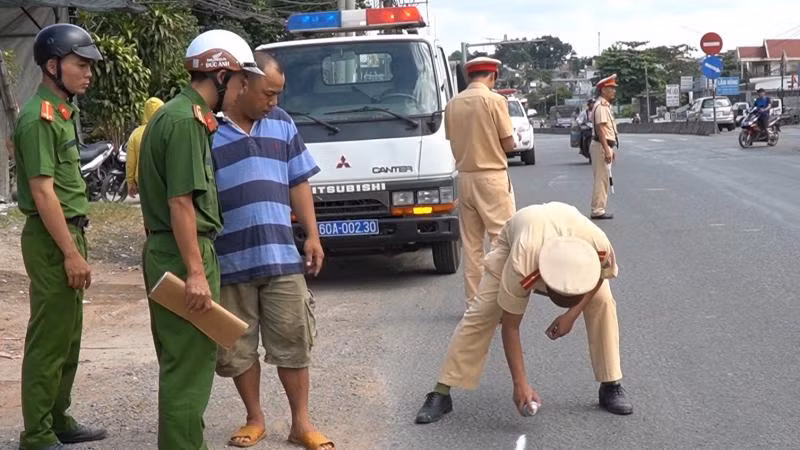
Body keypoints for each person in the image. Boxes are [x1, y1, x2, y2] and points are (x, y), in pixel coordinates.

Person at [137, 29, 264, 450]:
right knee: (188, 369)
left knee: (184, 363)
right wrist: (195, 271)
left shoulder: (179, 116)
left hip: (172, 249)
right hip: (182, 254)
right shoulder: (185, 120)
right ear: (221, 75)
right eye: (241, 80)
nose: (243, 90)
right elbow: (180, 204)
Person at [414, 201, 633, 424]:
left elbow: (602, 276)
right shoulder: (523, 262)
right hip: (517, 240)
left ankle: (611, 384)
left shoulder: (599, 246)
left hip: (570, 232)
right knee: (481, 312)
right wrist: (520, 384)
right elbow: (510, 326)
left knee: (604, 301)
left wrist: (571, 315)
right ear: (544, 284)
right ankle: (441, 391)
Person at [211, 52, 333, 450]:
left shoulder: (281, 123)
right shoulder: (206, 126)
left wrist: (312, 235)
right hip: (229, 259)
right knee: (238, 346)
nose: (274, 102)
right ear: (241, 83)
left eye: (278, 94)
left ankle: (301, 424)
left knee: (293, 341)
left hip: (281, 255)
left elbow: (298, 180)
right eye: (268, 93)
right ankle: (255, 418)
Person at [13, 24, 106, 450]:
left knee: (69, 335)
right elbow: (42, 191)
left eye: (89, 66)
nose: (88, 73)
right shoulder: (38, 117)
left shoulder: (64, 112)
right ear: (53, 66)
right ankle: (36, 434)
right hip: (53, 240)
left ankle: (57, 417)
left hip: (69, 234)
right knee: (49, 338)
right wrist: (70, 253)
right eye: (80, 64)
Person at [445, 56, 516, 307]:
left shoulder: (453, 103)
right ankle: (500, 301)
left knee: (472, 245)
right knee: (501, 241)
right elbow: (509, 143)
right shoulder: (495, 100)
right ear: (493, 76)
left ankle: (475, 303)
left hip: (465, 178)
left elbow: (451, 139)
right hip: (492, 177)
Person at [589, 74, 619, 220]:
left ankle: (599, 207)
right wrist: (607, 149)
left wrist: (610, 148)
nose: (614, 91)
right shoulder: (601, 106)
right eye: (611, 88)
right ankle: (598, 210)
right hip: (601, 145)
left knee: (604, 178)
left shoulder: (605, 105)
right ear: (603, 90)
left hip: (604, 144)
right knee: (601, 179)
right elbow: (600, 129)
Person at [125, 97, 164, 197]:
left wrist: (130, 183)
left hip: (143, 180)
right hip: (163, 179)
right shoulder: (166, 130)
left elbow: (130, 162)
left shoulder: (136, 134)